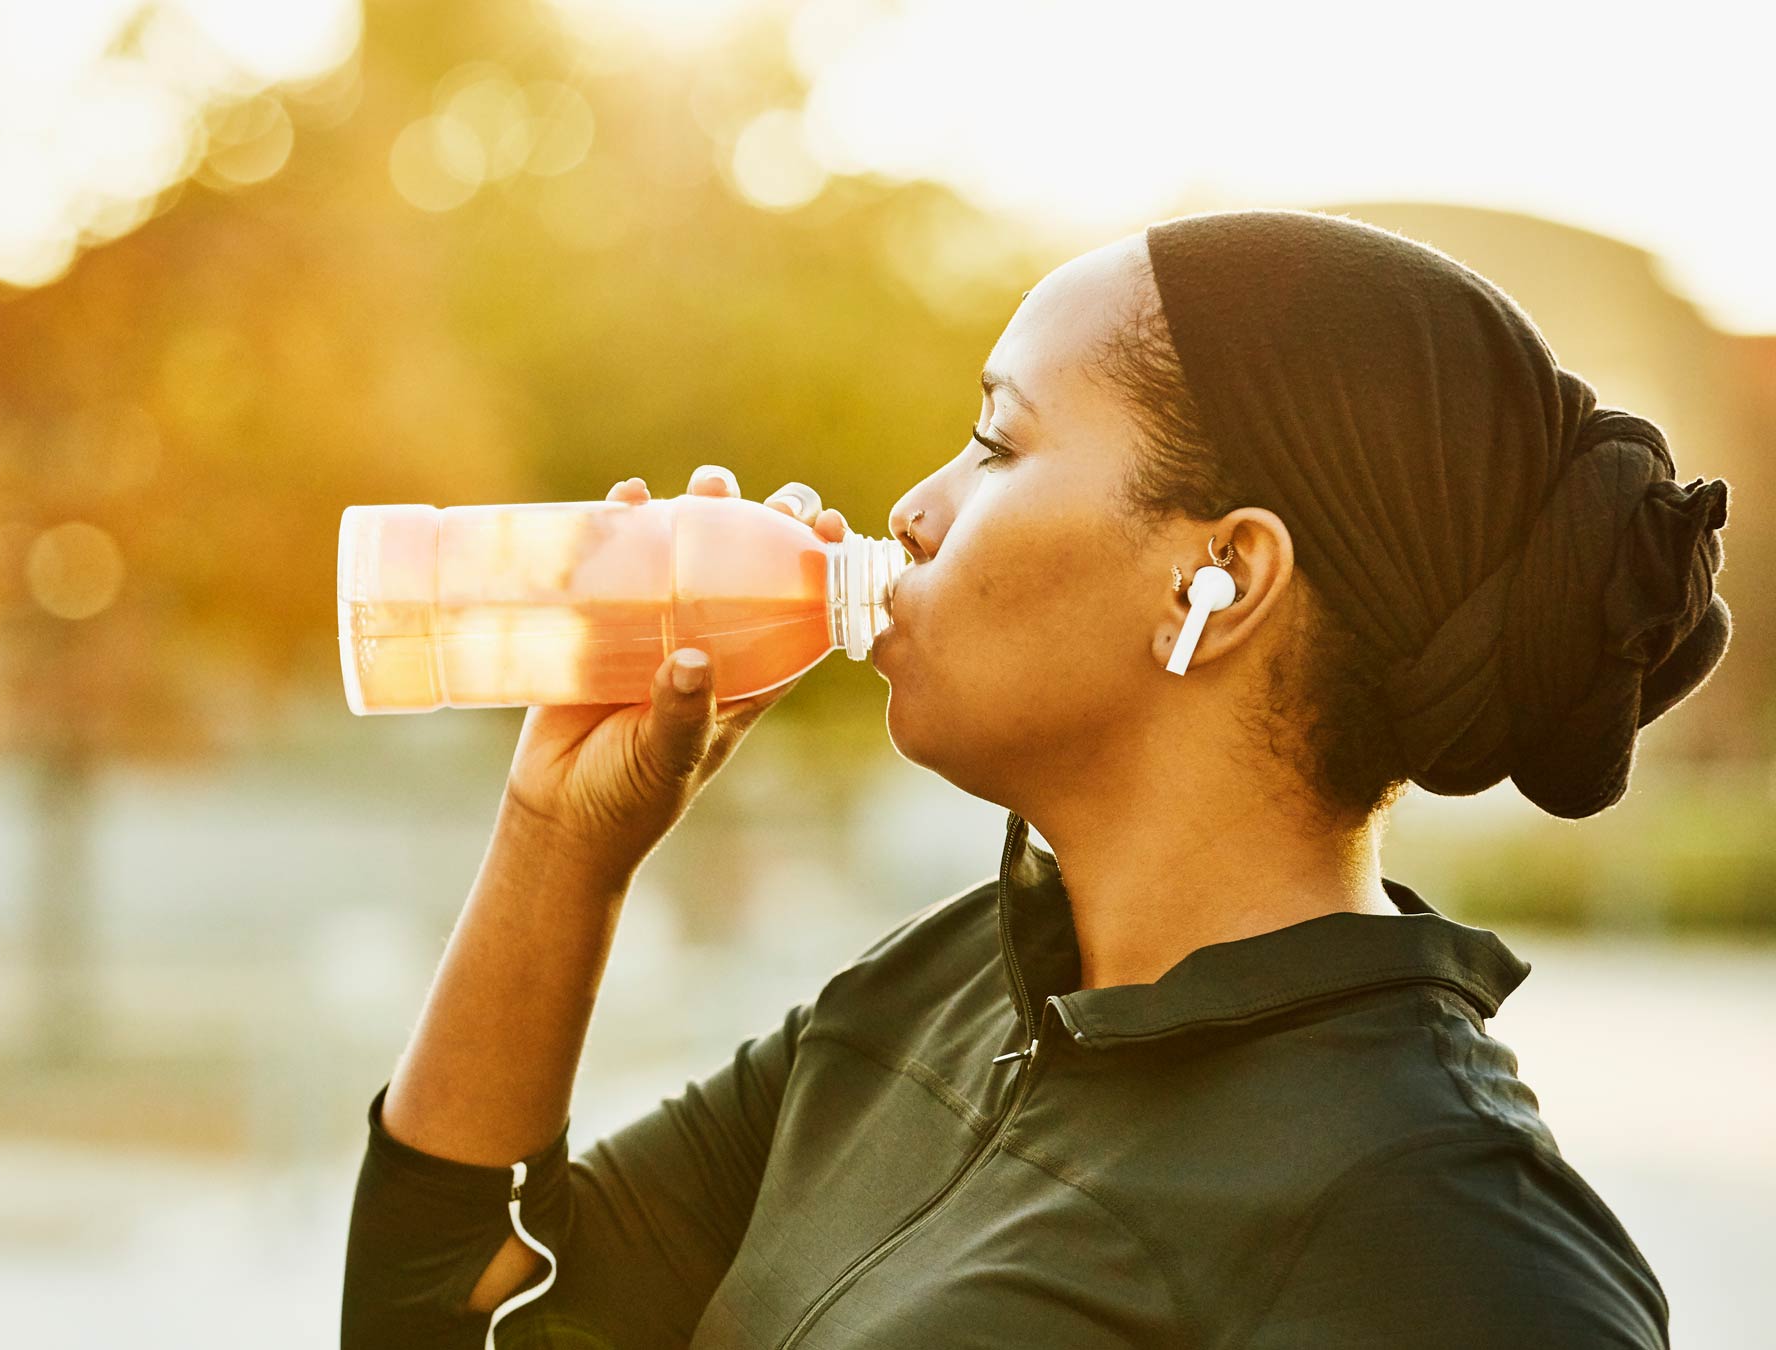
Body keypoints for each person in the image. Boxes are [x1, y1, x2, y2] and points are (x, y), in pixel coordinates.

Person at [341, 208, 1728, 1348]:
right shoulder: (934, 1001)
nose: (914, 507)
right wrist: (559, 839)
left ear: (1220, 577)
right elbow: (447, 1318)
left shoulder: (1446, 1235)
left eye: (997, 441)